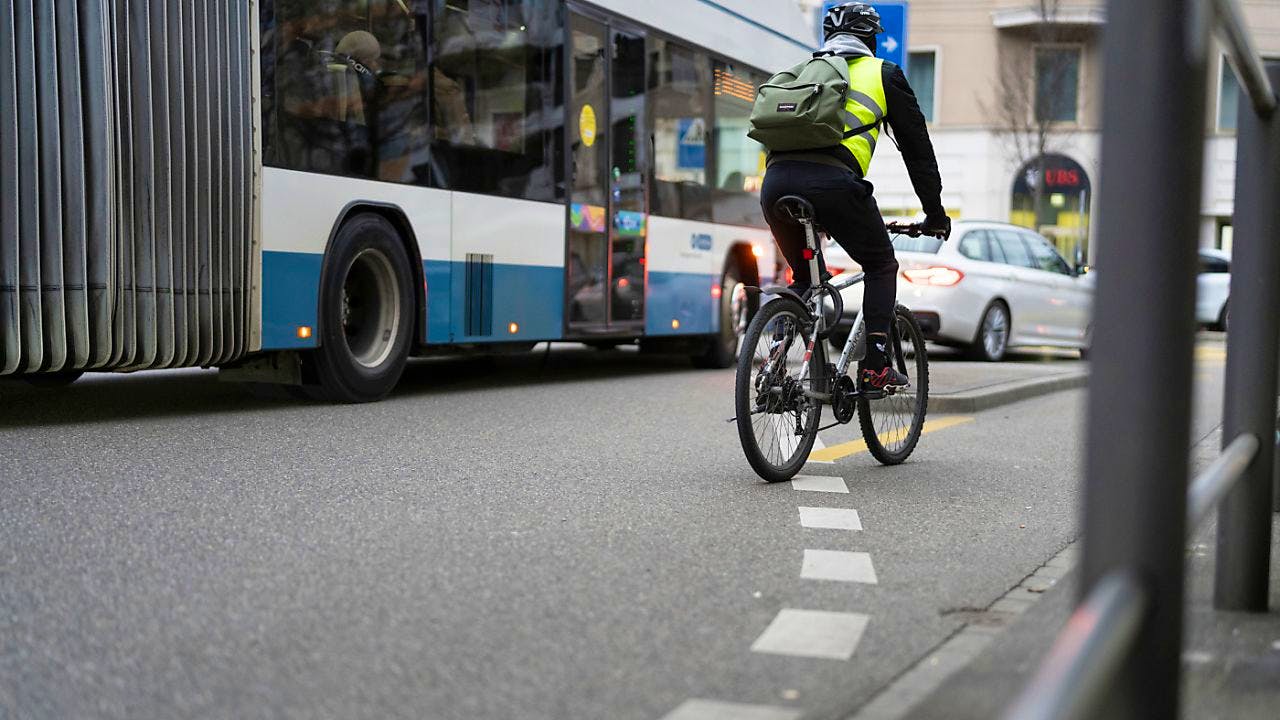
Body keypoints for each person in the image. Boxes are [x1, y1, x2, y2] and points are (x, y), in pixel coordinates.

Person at [760, 2, 949, 392]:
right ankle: (875, 366)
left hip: (776, 185)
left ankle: (772, 362)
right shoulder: (883, 73)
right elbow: (918, 152)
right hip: (833, 185)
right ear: (871, 39)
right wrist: (935, 214)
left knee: (805, 278)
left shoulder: (799, 72)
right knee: (881, 264)